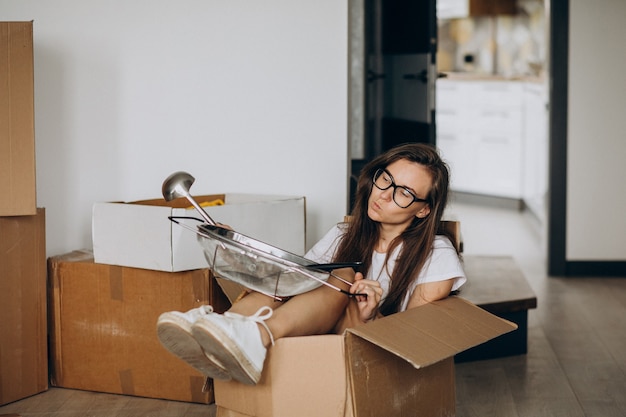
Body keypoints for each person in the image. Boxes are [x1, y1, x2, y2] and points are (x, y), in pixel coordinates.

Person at [156, 142, 466, 386]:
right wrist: (234, 248)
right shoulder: (344, 233)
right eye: (385, 179)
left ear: (424, 210)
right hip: (318, 337)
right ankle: (222, 329)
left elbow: (418, 343)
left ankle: (255, 336)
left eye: (405, 193)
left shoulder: (437, 255)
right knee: (287, 282)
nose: (384, 195)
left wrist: (372, 316)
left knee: (340, 273)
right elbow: (297, 283)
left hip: (374, 353)